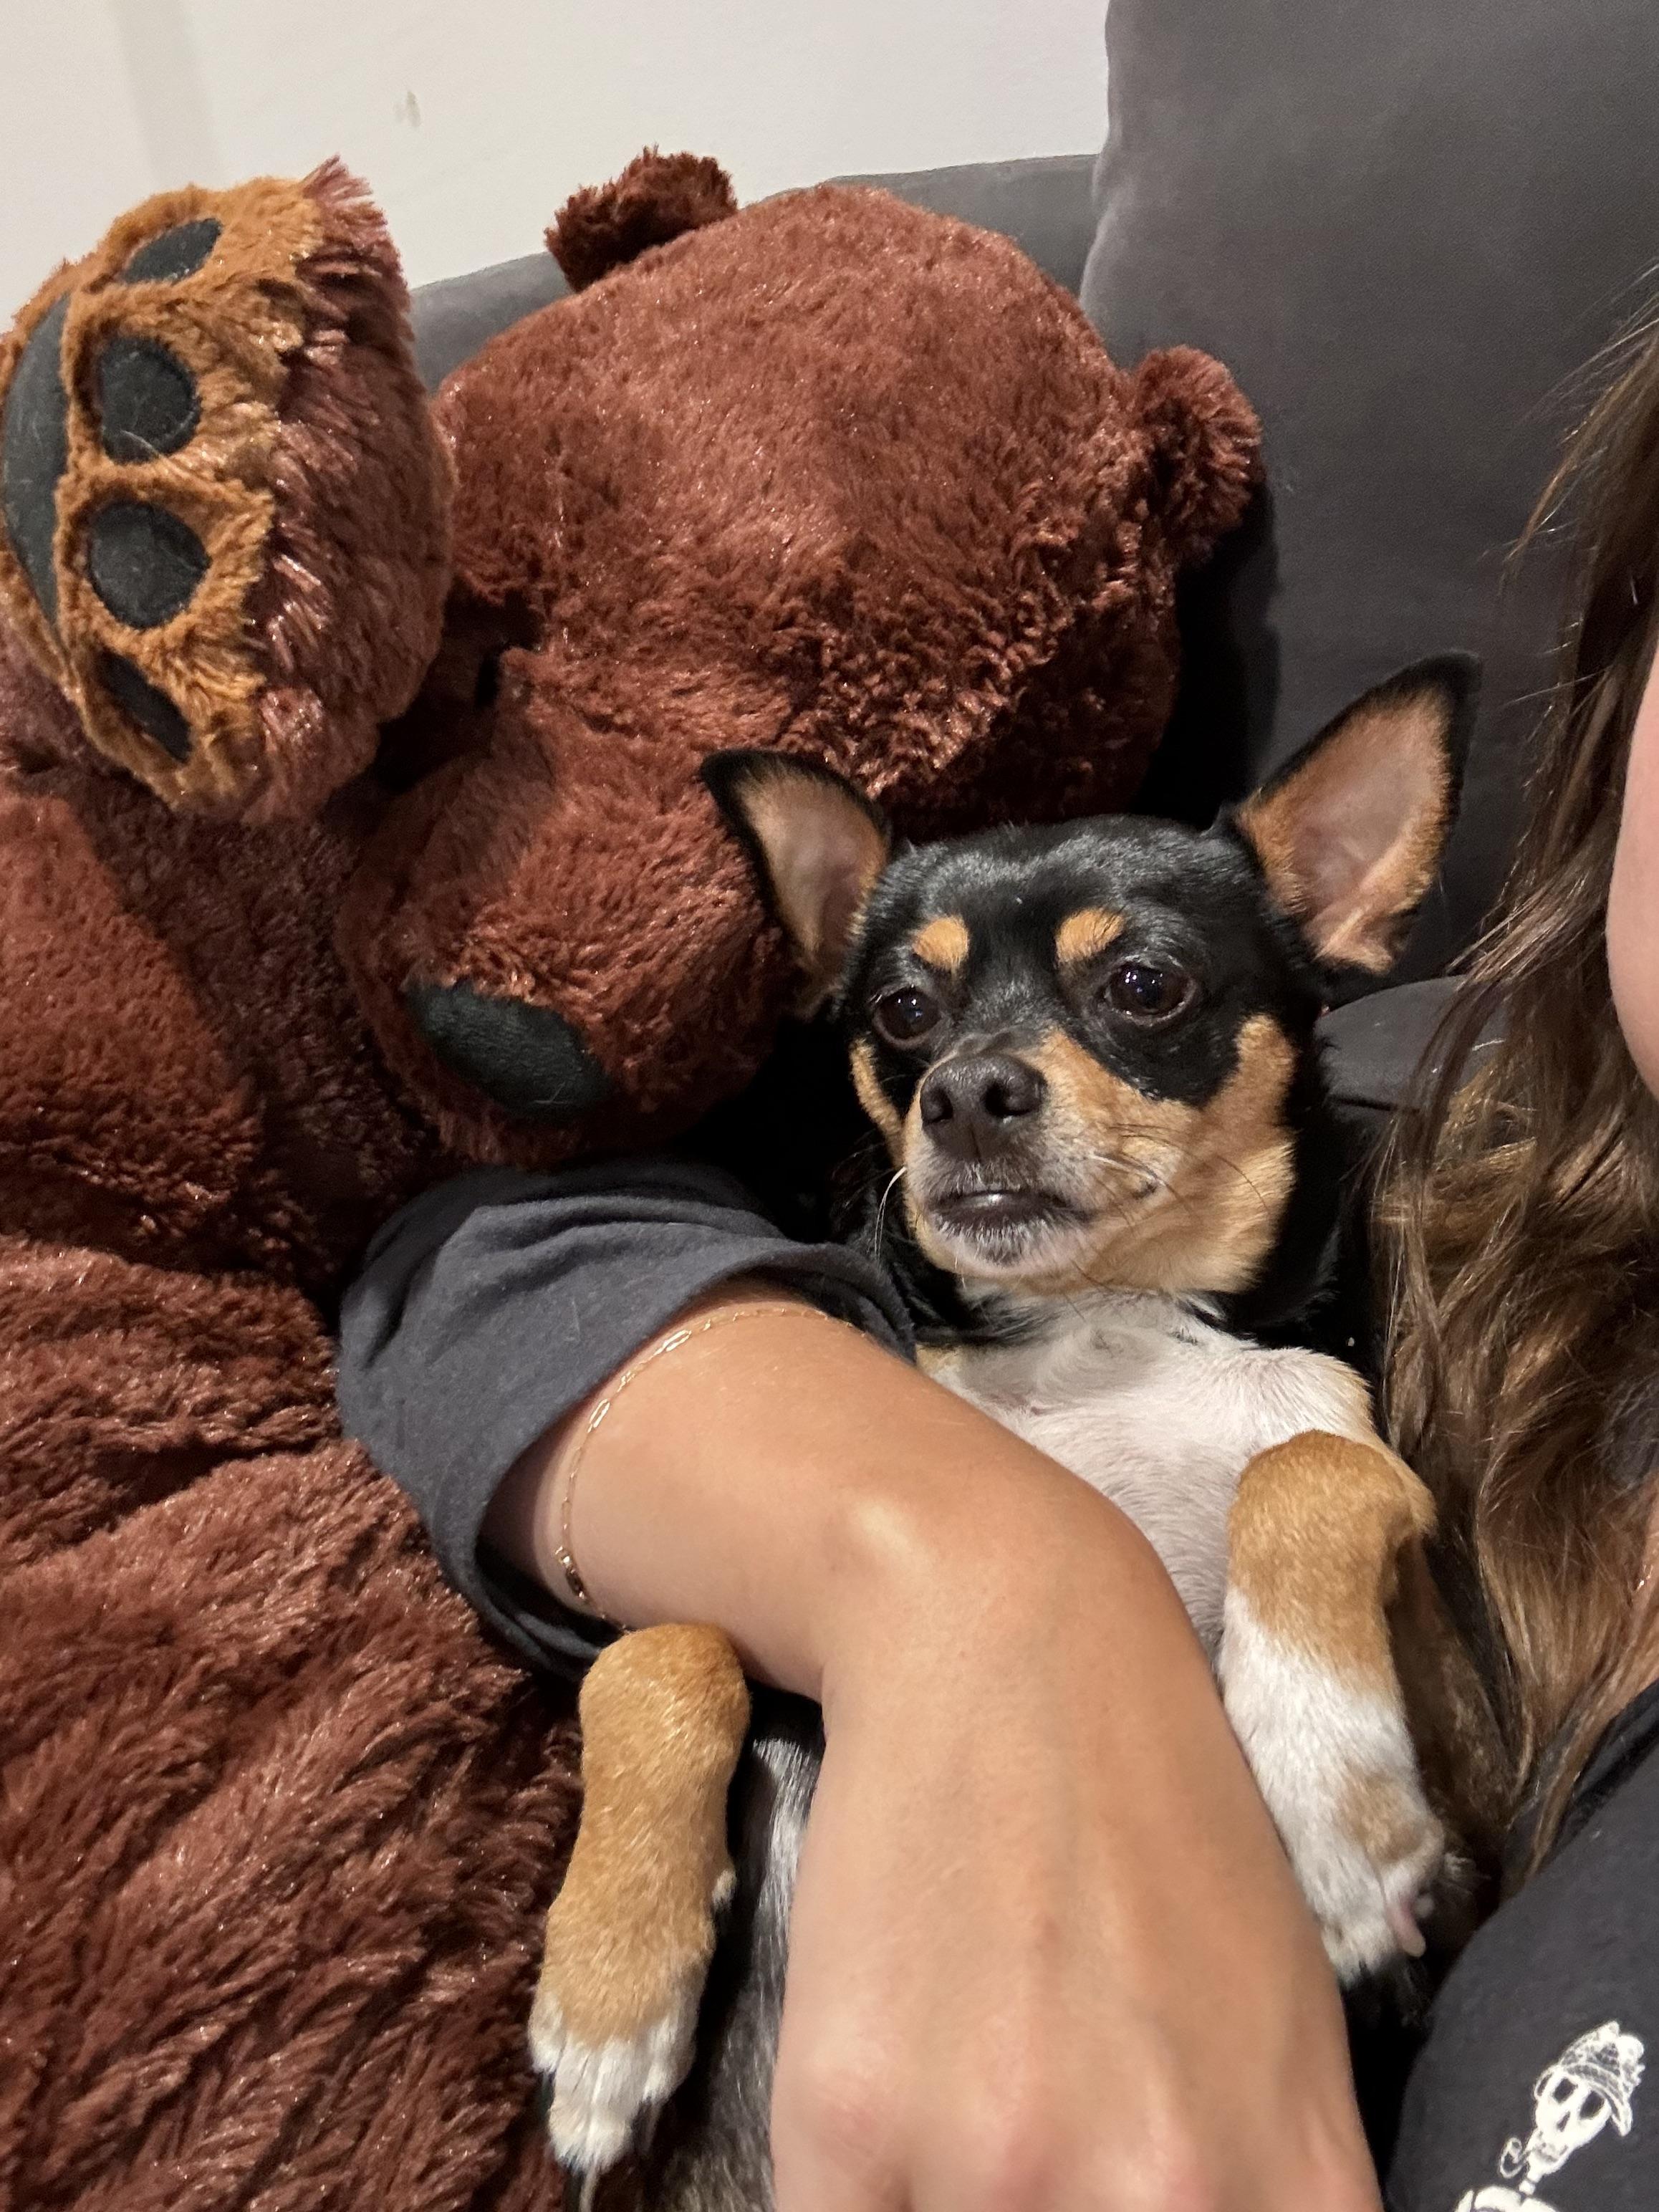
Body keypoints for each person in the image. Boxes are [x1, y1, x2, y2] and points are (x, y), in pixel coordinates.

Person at [339, 317, 1659, 2212]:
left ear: (1340, 905)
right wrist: (888, 1603)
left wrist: (1295, 1537)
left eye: (1140, 992)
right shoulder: (1420, 1185)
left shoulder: (1336, 1361)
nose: (980, 1080)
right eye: (914, 1021)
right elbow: (469, 1259)